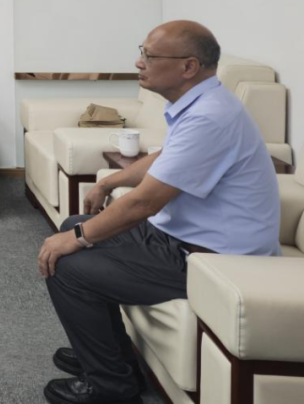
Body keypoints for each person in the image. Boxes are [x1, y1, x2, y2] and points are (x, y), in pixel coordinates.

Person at [37, 21, 281, 404]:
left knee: (68, 265)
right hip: (179, 239)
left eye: (149, 56)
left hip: (210, 259)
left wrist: (78, 239)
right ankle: (113, 360)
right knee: (73, 225)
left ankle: (111, 386)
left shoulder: (209, 117)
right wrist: (108, 183)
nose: (139, 62)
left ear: (188, 66)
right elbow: (165, 159)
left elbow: (144, 203)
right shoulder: (201, 103)